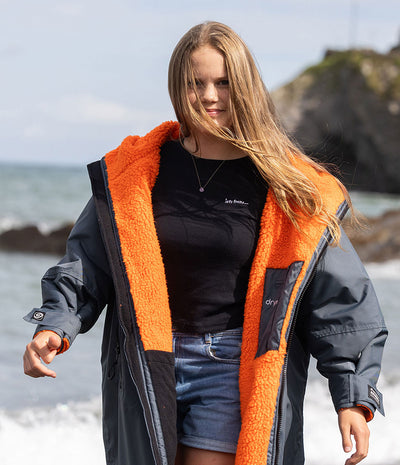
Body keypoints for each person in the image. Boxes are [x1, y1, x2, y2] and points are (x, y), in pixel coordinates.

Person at [23, 21, 387, 465]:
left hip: (229, 366)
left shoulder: (288, 185)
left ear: (244, 86)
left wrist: (353, 398)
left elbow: (341, 300)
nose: (209, 96)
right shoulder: (133, 172)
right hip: (146, 362)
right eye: (196, 83)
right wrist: (53, 326)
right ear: (178, 86)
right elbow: (88, 263)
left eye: (223, 83)